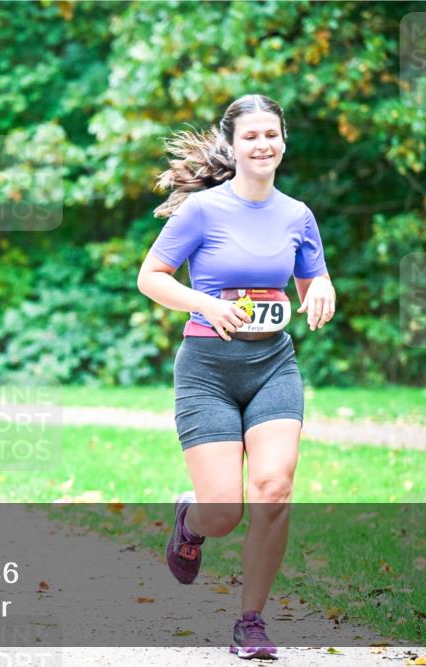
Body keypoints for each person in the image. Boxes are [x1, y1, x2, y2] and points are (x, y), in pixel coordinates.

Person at [136, 94, 336, 659]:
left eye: (271, 134)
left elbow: (311, 280)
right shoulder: (201, 211)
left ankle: (251, 621)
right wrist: (205, 302)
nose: (263, 144)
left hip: (273, 365)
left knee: (273, 489)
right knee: (224, 512)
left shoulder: (297, 214)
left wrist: (320, 286)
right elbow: (152, 277)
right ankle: (191, 521)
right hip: (207, 371)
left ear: (283, 140)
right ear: (232, 145)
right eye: (251, 136)